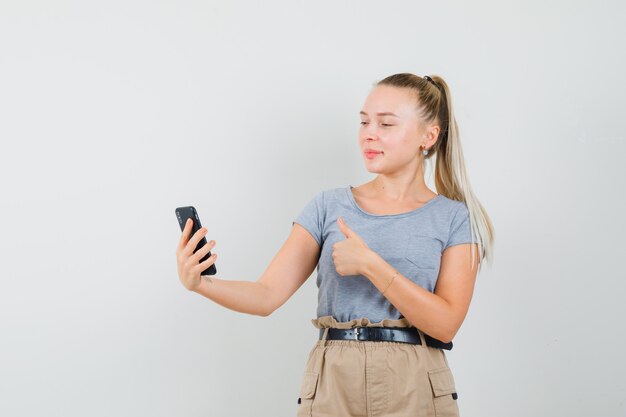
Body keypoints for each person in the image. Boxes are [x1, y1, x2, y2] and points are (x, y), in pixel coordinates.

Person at [175, 72, 495, 417]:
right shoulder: (327, 206)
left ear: (428, 136)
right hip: (333, 379)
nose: (369, 134)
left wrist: (372, 265)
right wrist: (201, 283)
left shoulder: (453, 217)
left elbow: (446, 323)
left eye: (386, 124)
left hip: (415, 380)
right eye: (364, 122)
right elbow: (266, 295)